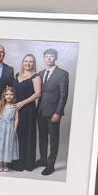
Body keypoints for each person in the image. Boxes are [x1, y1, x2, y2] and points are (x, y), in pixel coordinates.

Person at [35, 47, 71, 175]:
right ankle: (43, 159)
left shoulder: (62, 74)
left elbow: (63, 95)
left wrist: (58, 112)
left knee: (53, 139)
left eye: (51, 56)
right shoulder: (40, 73)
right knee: (42, 138)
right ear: (44, 59)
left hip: (53, 113)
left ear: (55, 58)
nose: (49, 58)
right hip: (40, 111)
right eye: (46, 56)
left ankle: (51, 165)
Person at [12, 54, 41, 171]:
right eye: (26, 61)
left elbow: (38, 93)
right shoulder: (16, 75)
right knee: (15, 134)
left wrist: (22, 103)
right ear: (23, 62)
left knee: (26, 135)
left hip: (28, 109)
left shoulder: (36, 76)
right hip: (15, 109)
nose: (28, 64)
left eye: (31, 62)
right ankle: (15, 162)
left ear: (34, 64)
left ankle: (26, 163)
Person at [0, 86, 24, 171]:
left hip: (9, 128)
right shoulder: (0, 105)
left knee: (7, 143)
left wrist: (14, 130)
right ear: (4, 95)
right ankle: (0, 163)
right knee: (0, 143)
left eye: (11, 94)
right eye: (6, 94)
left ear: (14, 96)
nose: (9, 96)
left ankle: (6, 163)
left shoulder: (15, 107)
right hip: (1, 128)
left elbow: (16, 119)